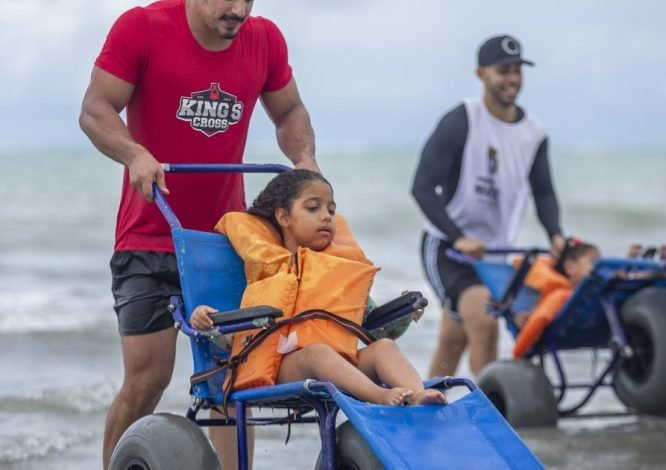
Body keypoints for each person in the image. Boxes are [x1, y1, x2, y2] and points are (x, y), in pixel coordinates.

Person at [78, 1, 317, 468]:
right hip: (149, 239)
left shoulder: (264, 40)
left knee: (230, 376)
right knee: (148, 378)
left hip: (224, 242)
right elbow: (94, 109)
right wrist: (134, 154)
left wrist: (304, 160)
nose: (238, 9)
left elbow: (289, 111)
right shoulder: (142, 27)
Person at [191, 170, 447, 406]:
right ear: (283, 217)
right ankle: (380, 396)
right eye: (313, 208)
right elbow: (236, 339)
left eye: (331, 210)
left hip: (343, 367)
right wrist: (207, 323)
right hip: (285, 369)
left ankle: (417, 394)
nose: (326, 216)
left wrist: (403, 314)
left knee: (385, 348)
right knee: (317, 354)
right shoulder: (268, 273)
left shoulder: (339, 273)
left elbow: (378, 331)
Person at [411, 34, 565, 378]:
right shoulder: (462, 119)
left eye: (517, 71)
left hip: (494, 256)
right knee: (484, 323)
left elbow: (543, 193)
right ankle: (493, 406)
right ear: (481, 74)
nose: (512, 79)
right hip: (449, 249)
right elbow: (421, 188)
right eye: (503, 71)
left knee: (454, 340)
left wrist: (556, 234)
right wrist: (459, 237)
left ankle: (426, 403)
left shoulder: (534, 133)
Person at [511, 239, 600, 358]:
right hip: (570, 333)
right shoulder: (560, 295)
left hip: (592, 331)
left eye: (600, 262)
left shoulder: (602, 292)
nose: (599, 268)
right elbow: (540, 318)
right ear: (570, 267)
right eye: (592, 263)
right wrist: (518, 352)